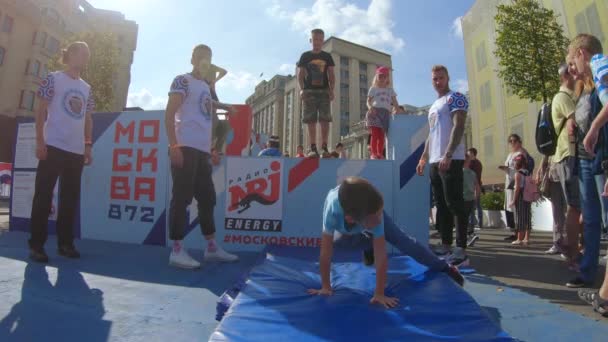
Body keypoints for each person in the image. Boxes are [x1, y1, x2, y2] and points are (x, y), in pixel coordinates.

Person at [307, 177, 464, 308]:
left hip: (368, 211)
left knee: (404, 242)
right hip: (356, 222)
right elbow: (325, 252)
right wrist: (326, 287)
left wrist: (379, 293)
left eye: (379, 214)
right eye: (374, 218)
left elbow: (381, 255)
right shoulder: (332, 210)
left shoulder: (375, 214)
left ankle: (444, 266)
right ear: (351, 219)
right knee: (338, 243)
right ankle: (368, 244)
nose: (378, 219)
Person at [165, 44, 239, 269]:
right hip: (185, 146)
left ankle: (211, 248)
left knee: (207, 198)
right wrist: (174, 146)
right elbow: (169, 114)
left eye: (208, 57)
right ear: (193, 59)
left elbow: (207, 104)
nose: (204, 60)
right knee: (182, 198)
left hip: (202, 150)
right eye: (200, 57)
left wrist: (223, 105)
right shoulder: (181, 80)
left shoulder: (205, 86)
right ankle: (177, 250)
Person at [28, 41, 94, 263]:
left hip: (75, 151)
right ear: (71, 54)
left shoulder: (86, 88)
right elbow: (40, 111)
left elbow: (87, 118)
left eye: (88, 54)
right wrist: (40, 141)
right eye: (82, 53)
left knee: (69, 199)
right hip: (53, 145)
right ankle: (37, 245)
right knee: (43, 196)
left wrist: (87, 144)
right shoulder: (53, 78)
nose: (85, 57)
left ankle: (65, 244)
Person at [564, 34, 607, 288]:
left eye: (571, 62)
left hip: (601, 159)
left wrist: (593, 130)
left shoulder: (602, 81)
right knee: (590, 219)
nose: (571, 69)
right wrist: (572, 123)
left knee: (606, 219)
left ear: (581, 53)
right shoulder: (580, 91)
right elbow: (582, 118)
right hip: (583, 160)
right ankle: (588, 271)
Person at [416, 65, 469, 266]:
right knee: (442, 206)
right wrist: (423, 156)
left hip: (451, 158)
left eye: (441, 78)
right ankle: (446, 244)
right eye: (434, 79)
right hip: (434, 161)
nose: (437, 81)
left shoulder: (456, 97)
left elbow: (459, 125)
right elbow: (432, 133)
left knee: (454, 203)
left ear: (448, 78)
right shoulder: (434, 105)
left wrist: (448, 153)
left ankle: (461, 248)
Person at [550, 64, 581, 258]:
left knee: (576, 203)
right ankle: (571, 252)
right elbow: (575, 123)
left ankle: (574, 249)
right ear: (566, 77)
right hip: (569, 153)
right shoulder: (563, 97)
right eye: (572, 72)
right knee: (574, 204)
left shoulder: (569, 97)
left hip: (569, 153)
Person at [297, 28, 335, 157]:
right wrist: (302, 89)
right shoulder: (305, 56)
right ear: (310, 40)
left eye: (320, 40)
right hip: (309, 91)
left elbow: (331, 74)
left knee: (325, 119)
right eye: (315, 40)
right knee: (311, 120)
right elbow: (300, 75)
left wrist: (332, 89)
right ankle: (313, 147)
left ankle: (324, 147)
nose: (317, 42)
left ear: (323, 41)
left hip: (324, 91)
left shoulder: (327, 56)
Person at [366, 66, 399, 159]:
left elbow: (395, 102)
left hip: (386, 114)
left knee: (382, 135)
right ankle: (373, 153)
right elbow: (368, 101)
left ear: (387, 78)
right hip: (375, 112)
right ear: (376, 77)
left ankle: (379, 153)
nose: (382, 78)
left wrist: (398, 110)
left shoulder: (390, 90)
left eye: (384, 76)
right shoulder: (373, 89)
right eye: (380, 76)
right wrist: (370, 107)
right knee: (375, 134)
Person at [499, 134, 526, 241]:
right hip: (509, 183)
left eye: (514, 141)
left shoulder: (522, 153)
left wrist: (509, 168)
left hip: (517, 182)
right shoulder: (510, 154)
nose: (512, 143)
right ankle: (515, 232)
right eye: (510, 141)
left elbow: (521, 167)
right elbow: (510, 167)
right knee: (510, 209)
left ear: (519, 141)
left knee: (516, 208)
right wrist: (505, 168)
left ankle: (521, 233)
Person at [204, 63, 230, 155]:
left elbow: (224, 71)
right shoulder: (202, 84)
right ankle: (210, 148)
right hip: (205, 114)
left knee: (224, 125)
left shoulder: (210, 67)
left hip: (211, 111)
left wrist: (214, 81)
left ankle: (215, 149)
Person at [509, 155, 532, 246]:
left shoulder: (518, 174)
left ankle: (519, 239)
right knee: (527, 217)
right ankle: (527, 238)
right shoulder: (528, 172)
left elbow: (517, 188)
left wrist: (513, 200)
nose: (514, 163)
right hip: (528, 196)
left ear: (518, 163)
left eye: (514, 162)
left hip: (521, 196)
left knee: (520, 217)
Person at [463, 154, 480, 247]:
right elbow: (477, 187)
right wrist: (476, 198)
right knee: (470, 218)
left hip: (462, 198)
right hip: (471, 199)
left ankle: (466, 238)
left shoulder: (459, 172)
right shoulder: (472, 173)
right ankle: (470, 234)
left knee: (462, 220)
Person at [467, 148, 483, 229]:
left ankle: (472, 224)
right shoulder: (479, 162)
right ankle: (479, 223)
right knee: (477, 205)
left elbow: (473, 176)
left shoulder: (472, 163)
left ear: (473, 153)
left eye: (469, 153)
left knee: (472, 206)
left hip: (473, 186)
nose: (467, 154)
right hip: (477, 185)